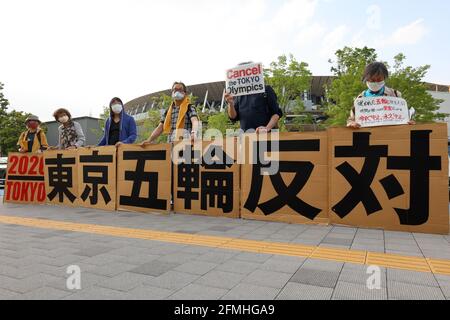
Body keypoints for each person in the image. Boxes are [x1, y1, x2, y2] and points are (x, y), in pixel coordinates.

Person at [347, 61, 416, 129]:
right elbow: (351, 119)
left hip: (390, 135)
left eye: (379, 79)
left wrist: (409, 122)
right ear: (366, 79)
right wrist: (351, 123)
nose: (376, 82)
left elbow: (404, 117)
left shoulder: (395, 94)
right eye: (372, 80)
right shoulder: (360, 99)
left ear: (384, 78)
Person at [225, 62, 283, 133]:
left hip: (267, 136)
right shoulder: (237, 94)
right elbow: (233, 117)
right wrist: (230, 104)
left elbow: (276, 114)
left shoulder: (266, 90)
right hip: (247, 137)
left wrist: (266, 128)